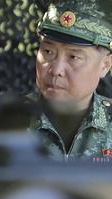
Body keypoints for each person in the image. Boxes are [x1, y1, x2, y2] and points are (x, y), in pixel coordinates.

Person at [30, 1, 112, 157]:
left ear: (105, 65)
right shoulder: (4, 123)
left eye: (74, 57)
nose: (56, 70)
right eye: (48, 51)